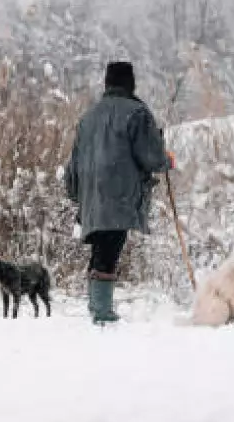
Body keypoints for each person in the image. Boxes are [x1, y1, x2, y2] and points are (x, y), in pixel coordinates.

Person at [64, 61, 174, 325]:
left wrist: (78, 194)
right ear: (131, 83)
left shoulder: (88, 117)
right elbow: (152, 158)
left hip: (91, 195)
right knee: (109, 249)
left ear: (107, 83)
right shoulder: (137, 113)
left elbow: (73, 165)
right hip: (119, 194)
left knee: (101, 248)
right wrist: (166, 160)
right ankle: (102, 313)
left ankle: (97, 307)